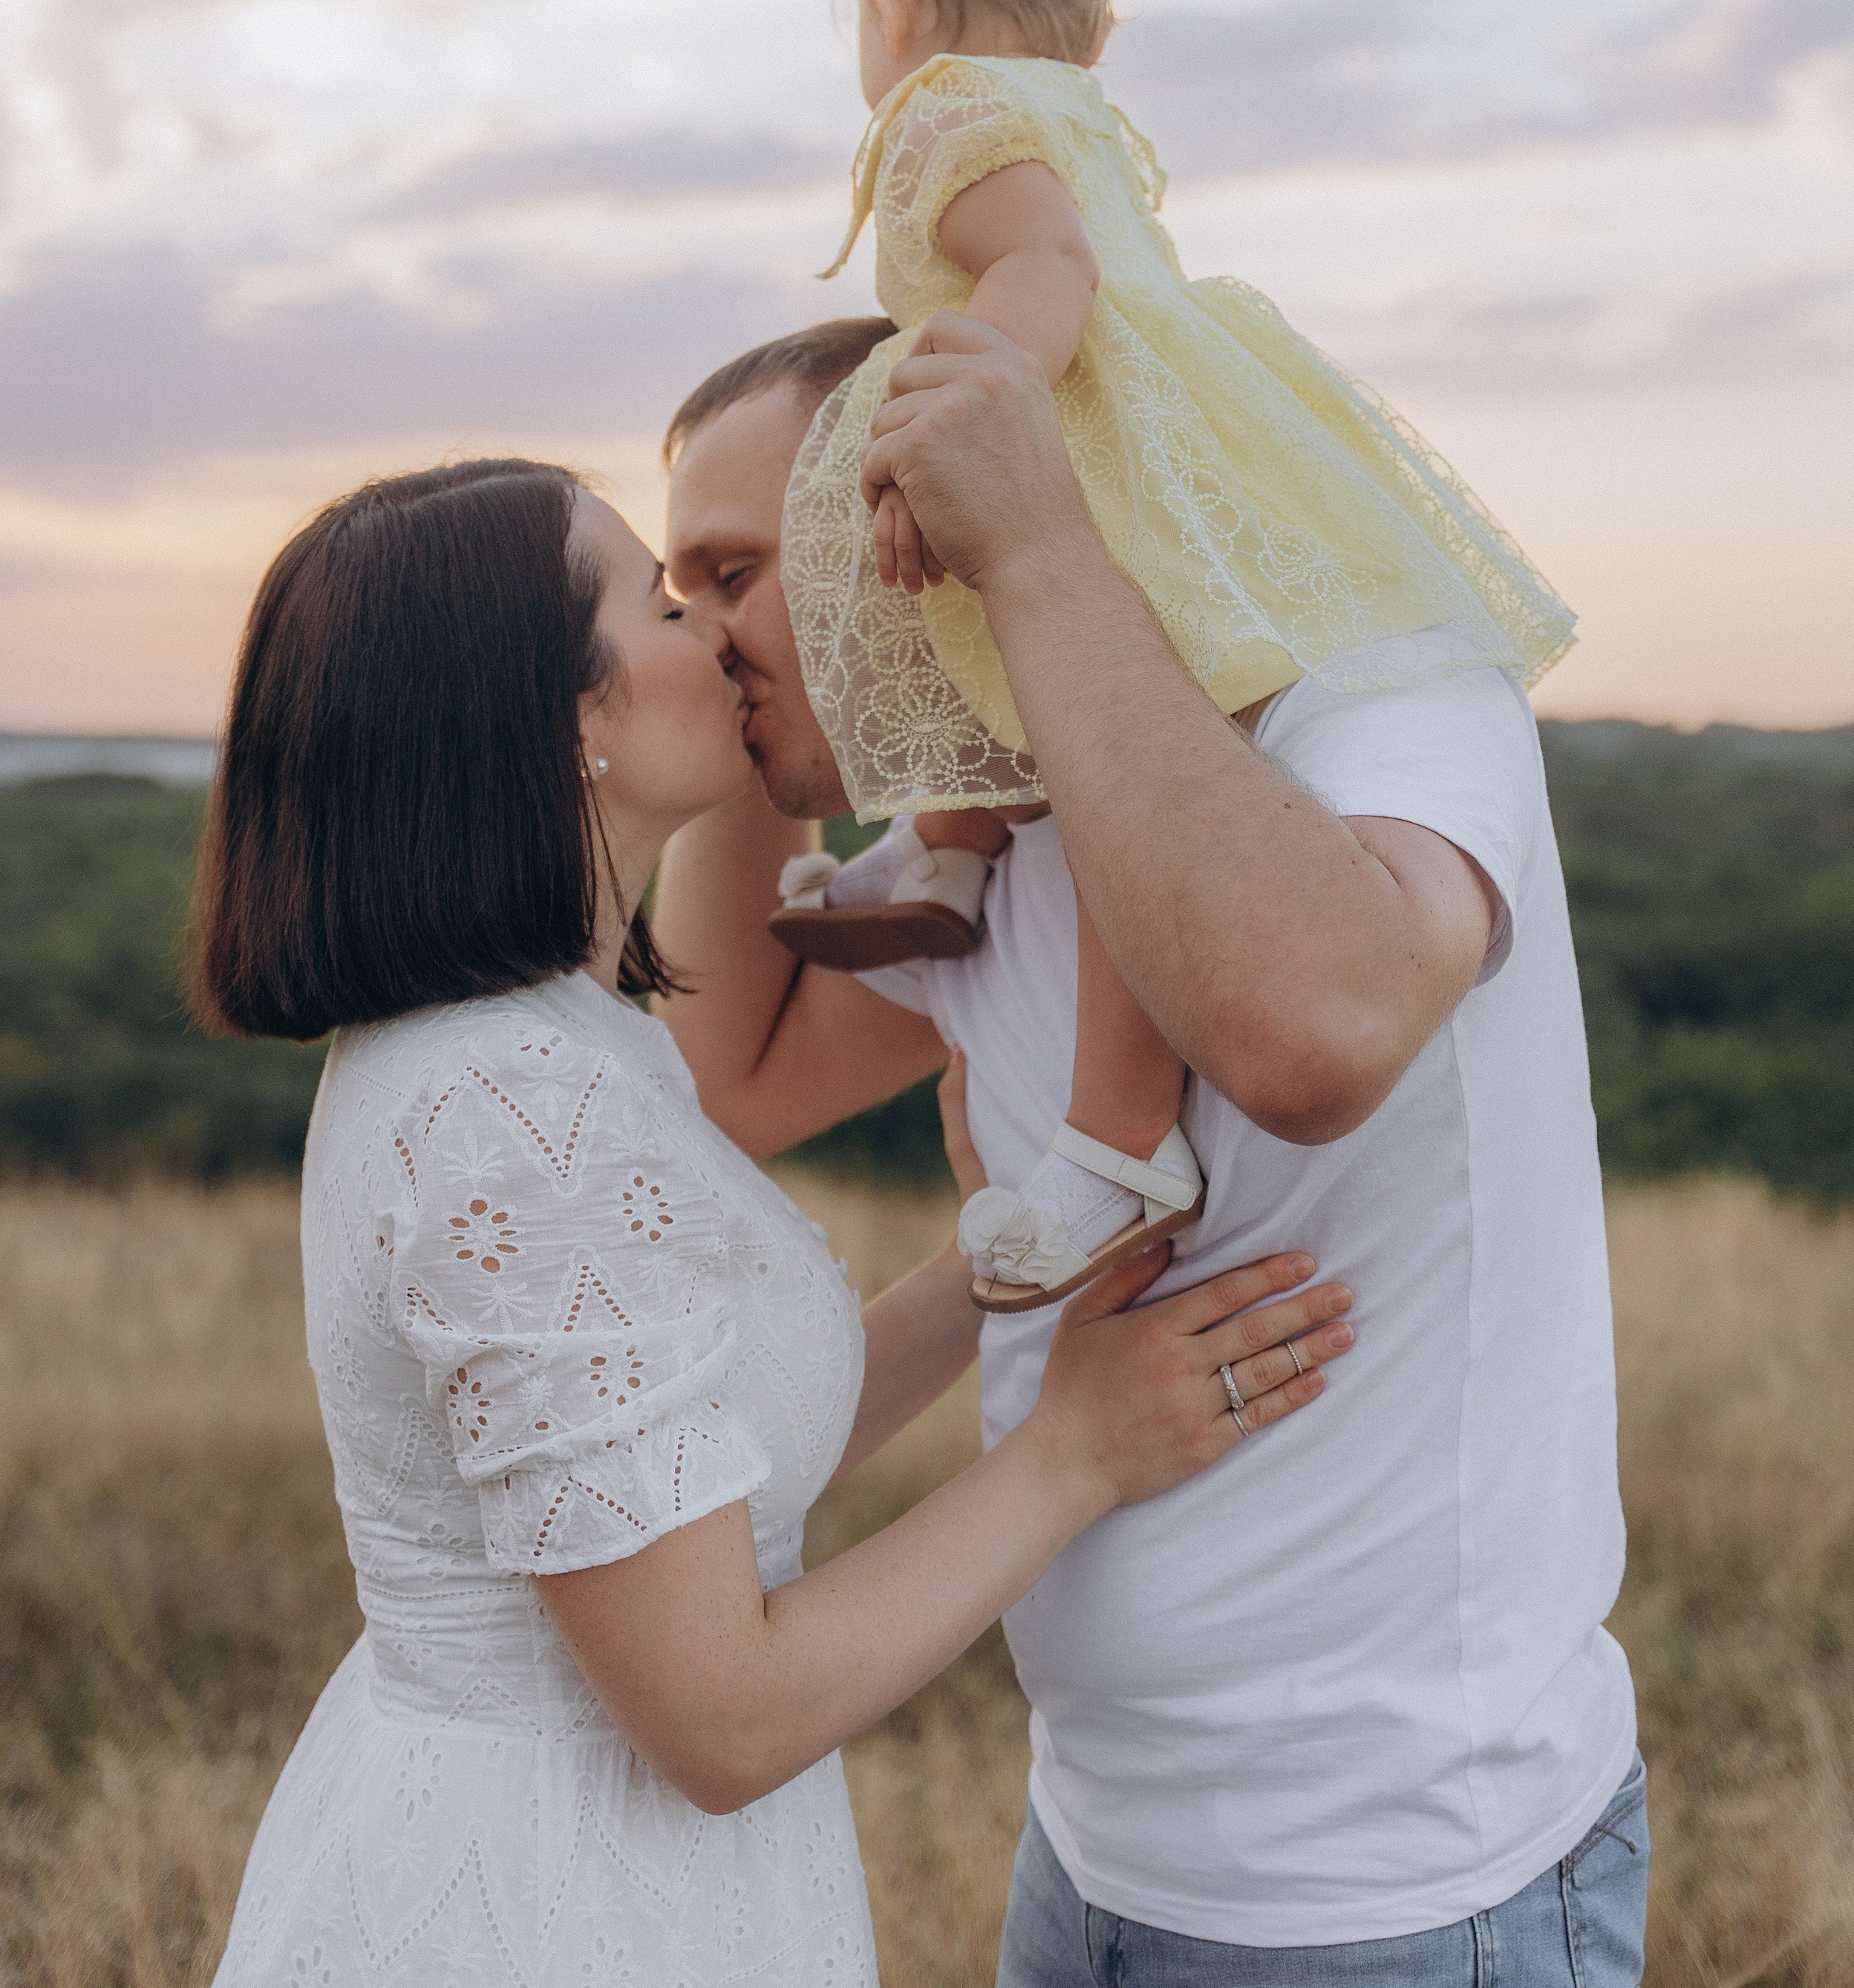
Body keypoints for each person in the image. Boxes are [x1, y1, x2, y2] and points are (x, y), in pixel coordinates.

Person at [191, 456, 1354, 1988]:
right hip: (555, 1907)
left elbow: (675, 1468)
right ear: (568, 718)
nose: (725, 636)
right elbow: (718, 1717)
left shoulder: (538, 1046)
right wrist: (1077, 1452)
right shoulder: (518, 1118)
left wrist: (991, 1269)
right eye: (663, 603)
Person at [657, 325, 1651, 1982]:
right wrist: (710, 714)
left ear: (900, 513)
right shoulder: (974, 839)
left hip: (1396, 1892)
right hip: (1094, 1850)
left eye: (732, 573)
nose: (697, 632)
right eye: (672, 592)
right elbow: (731, 1079)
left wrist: (1040, 544)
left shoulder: (1376, 679)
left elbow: (1315, 1034)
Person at [772, 0, 1575, 1311]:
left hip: (1090, 472)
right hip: (1175, 451)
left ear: (883, 9)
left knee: (1100, 776)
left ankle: (1113, 1141)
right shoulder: (1069, 105)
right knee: (1026, 701)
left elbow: (1052, 273)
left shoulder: (935, 109)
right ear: (1099, 16)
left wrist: (967, 392)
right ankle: (939, 855)